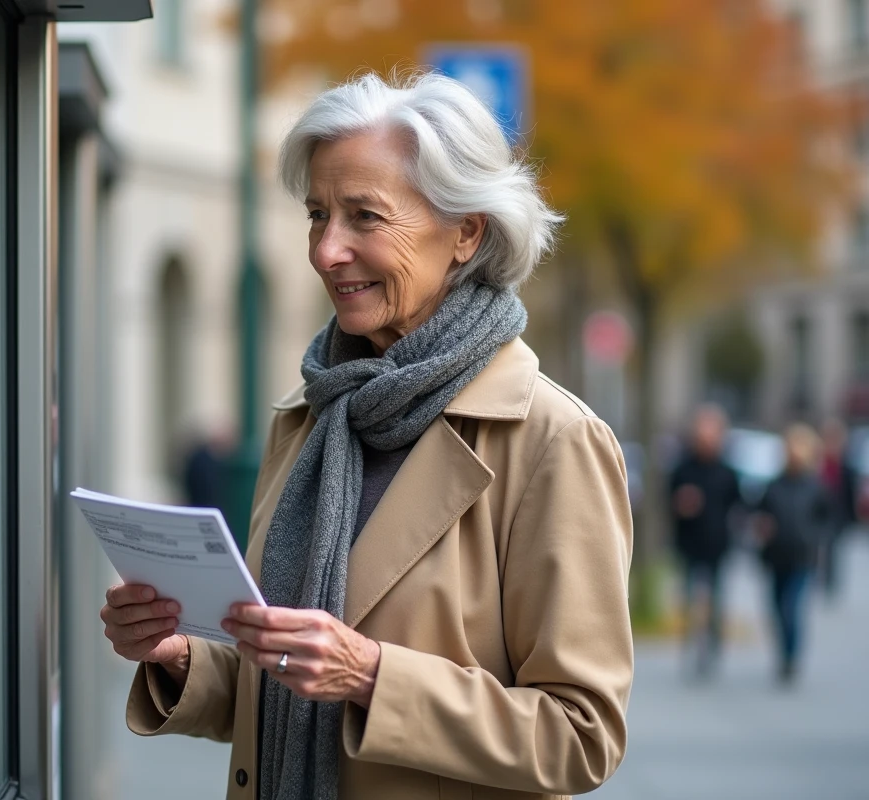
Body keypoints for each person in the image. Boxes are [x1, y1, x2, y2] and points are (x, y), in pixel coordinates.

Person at [100, 72, 633, 800]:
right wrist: (180, 658)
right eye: (318, 215)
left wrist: (374, 677)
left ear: (466, 231)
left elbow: (580, 735)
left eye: (364, 217)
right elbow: (284, 681)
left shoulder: (553, 440)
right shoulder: (309, 418)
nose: (326, 250)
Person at [668, 405, 742, 677]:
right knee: (688, 599)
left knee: (718, 600)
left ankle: (712, 647)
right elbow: (669, 502)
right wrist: (682, 504)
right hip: (689, 545)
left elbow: (738, 505)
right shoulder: (682, 469)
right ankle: (689, 647)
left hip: (718, 545)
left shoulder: (727, 471)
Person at [755, 423, 831, 685]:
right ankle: (783, 651)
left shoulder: (815, 486)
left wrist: (814, 538)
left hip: (802, 557)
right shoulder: (774, 484)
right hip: (776, 556)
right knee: (776, 609)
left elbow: (827, 519)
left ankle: (791, 657)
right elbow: (761, 513)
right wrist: (763, 527)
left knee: (791, 608)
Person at [817, 417, 857, 598]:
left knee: (833, 549)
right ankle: (821, 577)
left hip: (837, 514)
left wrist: (851, 517)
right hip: (819, 513)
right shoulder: (818, 462)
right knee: (819, 546)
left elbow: (849, 493)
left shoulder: (845, 465)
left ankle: (830, 581)